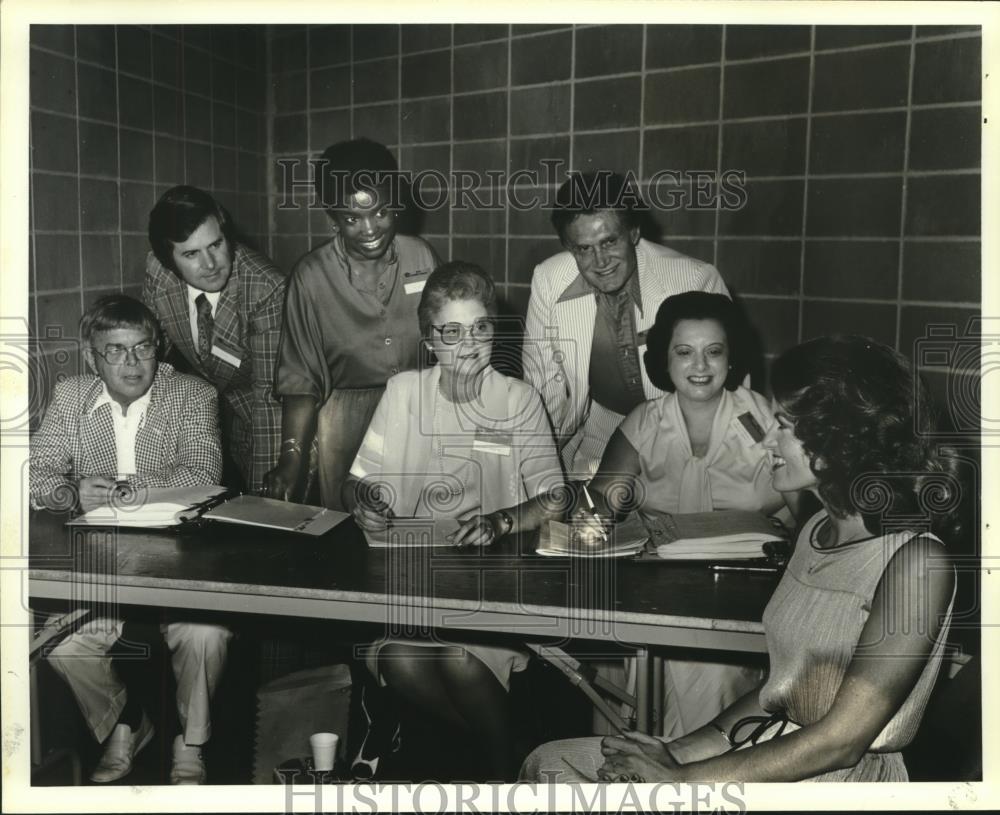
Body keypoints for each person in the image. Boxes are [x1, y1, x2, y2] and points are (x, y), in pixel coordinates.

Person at [522, 335, 958, 783]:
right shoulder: (816, 532)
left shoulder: (917, 563)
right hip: (773, 749)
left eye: (784, 425)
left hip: (836, 782)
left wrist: (684, 780)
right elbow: (776, 692)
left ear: (840, 437)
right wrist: (679, 751)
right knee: (552, 763)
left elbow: (842, 741)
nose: (766, 439)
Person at [342, 262, 563, 780]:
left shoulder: (518, 400)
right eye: (452, 332)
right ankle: (515, 750)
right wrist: (365, 500)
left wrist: (503, 521)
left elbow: (555, 498)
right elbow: (357, 481)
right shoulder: (403, 393)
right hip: (413, 579)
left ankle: (498, 770)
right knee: (401, 660)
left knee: (460, 659)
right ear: (429, 339)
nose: (468, 345)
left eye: (480, 328)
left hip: (491, 586)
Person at [571, 291, 793, 741]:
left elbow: (809, 515)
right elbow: (599, 503)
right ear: (664, 361)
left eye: (714, 352)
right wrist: (590, 521)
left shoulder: (763, 419)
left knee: (711, 673)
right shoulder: (644, 422)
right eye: (684, 352)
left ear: (732, 359)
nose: (700, 366)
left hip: (746, 593)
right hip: (659, 589)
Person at [31, 295, 232, 785]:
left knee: (205, 635)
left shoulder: (192, 393)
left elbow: (204, 473)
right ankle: (126, 724)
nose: (132, 363)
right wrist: (70, 490)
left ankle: (192, 742)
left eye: (142, 348)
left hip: (182, 560)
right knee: (60, 643)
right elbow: (34, 471)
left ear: (158, 347)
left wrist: (129, 492)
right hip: (102, 562)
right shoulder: (71, 396)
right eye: (115, 351)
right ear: (91, 355)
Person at [266, 137, 439, 509]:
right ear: (332, 218)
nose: (370, 229)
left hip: (419, 412)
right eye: (351, 218)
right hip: (346, 425)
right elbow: (300, 379)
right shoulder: (310, 277)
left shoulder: (421, 256)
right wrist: (291, 457)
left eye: (380, 212)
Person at [522, 171, 730, 478]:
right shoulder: (549, 280)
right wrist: (535, 465)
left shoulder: (695, 279)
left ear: (633, 233)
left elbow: (726, 388)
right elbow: (541, 386)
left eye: (609, 241)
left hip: (683, 434)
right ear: (569, 247)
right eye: (583, 248)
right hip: (597, 431)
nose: (600, 261)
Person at [143, 185, 285, 493]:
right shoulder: (159, 273)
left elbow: (269, 398)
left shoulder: (265, 288)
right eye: (191, 254)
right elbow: (154, 364)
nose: (210, 264)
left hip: (269, 416)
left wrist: (268, 501)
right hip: (214, 415)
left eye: (216, 245)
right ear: (169, 260)